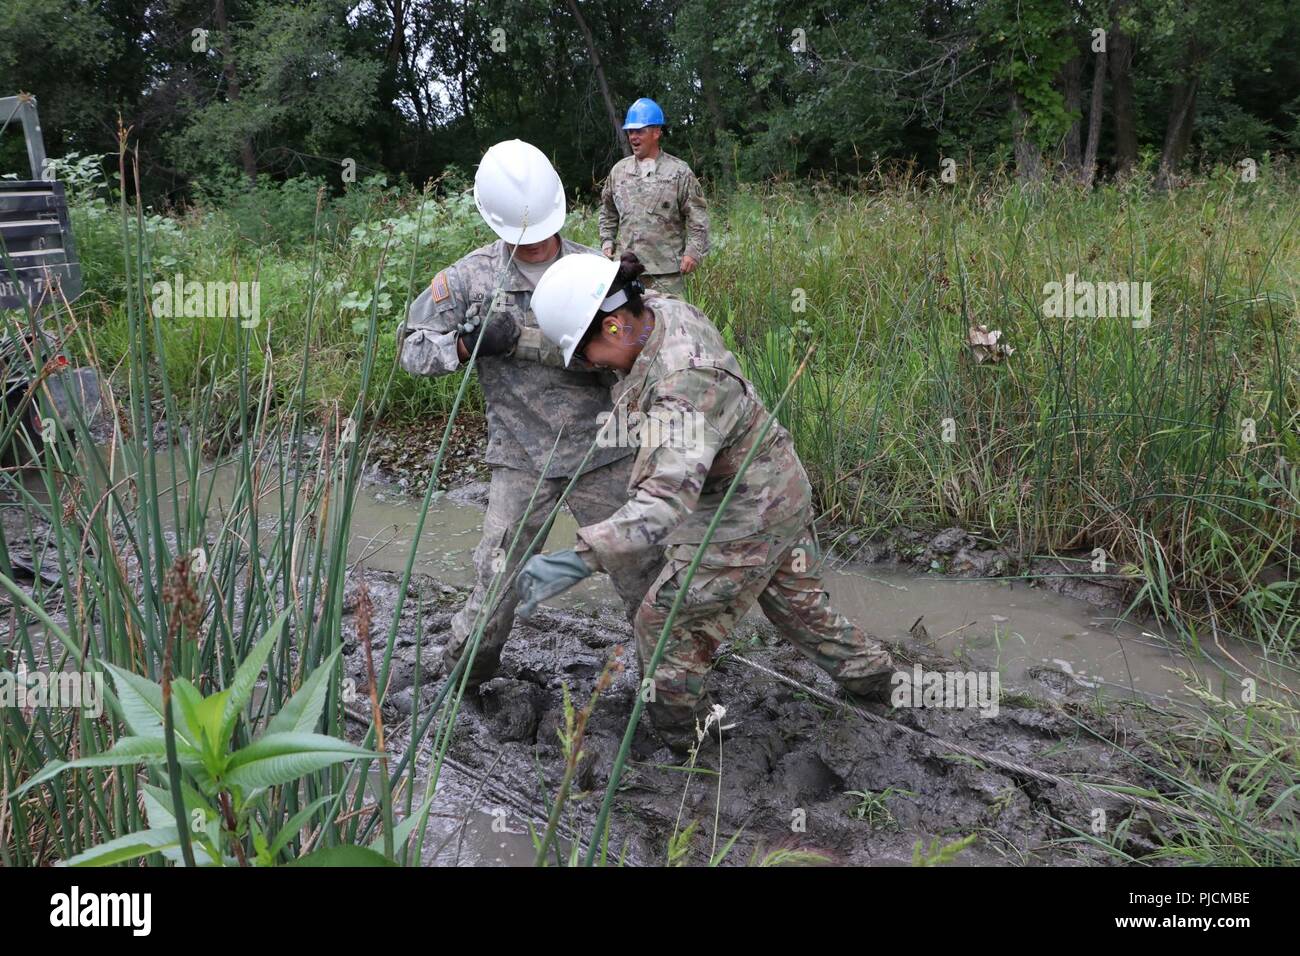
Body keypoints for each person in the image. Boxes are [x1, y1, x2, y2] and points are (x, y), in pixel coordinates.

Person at [519, 251, 896, 753]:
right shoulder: (657, 311)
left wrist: (577, 559)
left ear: (612, 328)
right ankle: (877, 679)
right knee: (797, 607)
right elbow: (599, 331)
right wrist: (519, 341)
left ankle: (684, 733)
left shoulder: (683, 384)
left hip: (742, 513)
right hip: (776, 483)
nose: (588, 367)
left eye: (585, 356)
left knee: (663, 622)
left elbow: (664, 504)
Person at [397, 140, 661, 688]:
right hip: (520, 458)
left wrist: (627, 301)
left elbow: (641, 348)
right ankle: (465, 677)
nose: (538, 243)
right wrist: (468, 346)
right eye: (525, 234)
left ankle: (670, 689)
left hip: (604, 451)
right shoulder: (468, 281)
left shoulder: (594, 271)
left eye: (545, 229)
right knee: (497, 582)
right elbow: (411, 350)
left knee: (646, 575)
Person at [598, 98, 710, 298]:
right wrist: (607, 242)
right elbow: (608, 211)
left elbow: (697, 216)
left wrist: (693, 252)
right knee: (628, 327)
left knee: (669, 327)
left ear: (656, 132)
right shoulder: (619, 171)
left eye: (640, 131)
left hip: (666, 274)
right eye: (630, 132)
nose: (633, 137)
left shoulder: (678, 172)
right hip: (626, 270)